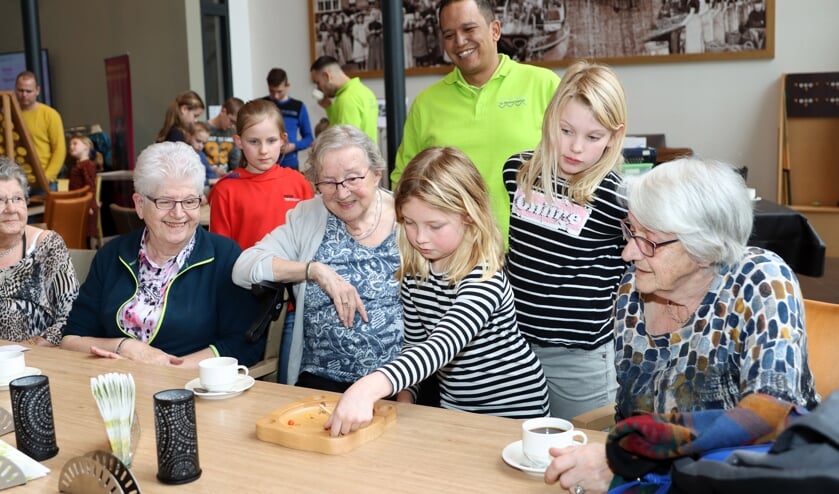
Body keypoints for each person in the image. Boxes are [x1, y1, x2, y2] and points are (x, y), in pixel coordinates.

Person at [544, 158, 819, 494]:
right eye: (631, 230)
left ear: (705, 250)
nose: (628, 252)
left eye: (650, 241)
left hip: (755, 480)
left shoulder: (760, 280)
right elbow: (628, 414)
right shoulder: (634, 289)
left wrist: (627, 457)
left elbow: (773, 414)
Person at [325, 147, 549, 437]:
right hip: (456, 407)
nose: (420, 238)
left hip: (513, 413)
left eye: (434, 225)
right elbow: (416, 344)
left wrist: (368, 387)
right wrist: (404, 401)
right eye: (410, 223)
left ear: (468, 216)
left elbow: (441, 346)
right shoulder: (416, 275)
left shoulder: (484, 277)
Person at [60, 141, 265, 368]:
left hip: (192, 389)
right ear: (139, 204)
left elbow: (243, 344)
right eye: (165, 201)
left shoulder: (224, 256)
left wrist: (171, 369)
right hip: (114, 385)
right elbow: (71, 339)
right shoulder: (112, 255)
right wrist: (124, 347)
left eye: (189, 201)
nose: (178, 214)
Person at [502, 61, 628, 419]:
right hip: (515, 349)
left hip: (581, 362)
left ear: (614, 136)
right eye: (566, 130)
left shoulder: (615, 197)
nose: (576, 148)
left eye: (593, 137)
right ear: (550, 118)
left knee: (585, 453)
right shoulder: (517, 173)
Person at [232, 125, 401, 389]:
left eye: (353, 179)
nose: (342, 193)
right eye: (329, 183)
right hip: (321, 380)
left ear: (376, 174)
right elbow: (244, 268)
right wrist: (313, 270)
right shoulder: (307, 216)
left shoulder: (406, 218)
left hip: (398, 381)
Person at [391, 0, 560, 240]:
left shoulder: (545, 85)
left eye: (469, 29)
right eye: (449, 35)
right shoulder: (425, 104)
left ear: (495, 30)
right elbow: (403, 183)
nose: (459, 42)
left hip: (535, 252)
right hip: (455, 258)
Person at [209, 99, 314, 250]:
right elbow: (220, 252)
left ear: (283, 140)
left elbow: (312, 240)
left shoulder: (299, 183)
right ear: (239, 142)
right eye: (254, 142)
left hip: (296, 272)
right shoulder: (225, 190)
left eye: (271, 141)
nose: (263, 150)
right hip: (243, 273)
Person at [0, 157, 78, 346]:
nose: (11, 208)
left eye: (18, 199)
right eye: (0, 200)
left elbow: (72, 314)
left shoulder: (47, 246)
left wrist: (45, 343)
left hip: (36, 359)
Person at [14, 71, 66, 186]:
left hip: (43, 180)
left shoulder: (50, 115)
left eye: (29, 91)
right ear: (15, 90)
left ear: (37, 90)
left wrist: (47, 177)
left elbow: (59, 149)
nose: (24, 95)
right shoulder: (9, 114)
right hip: (15, 181)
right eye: (20, 90)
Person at [310, 55, 379, 143]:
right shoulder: (365, 91)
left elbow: (345, 144)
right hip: (367, 154)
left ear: (327, 76)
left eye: (318, 83)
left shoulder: (346, 99)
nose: (318, 88)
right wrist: (329, 108)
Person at [263, 68, 314, 170]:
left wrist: (293, 146)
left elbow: (309, 138)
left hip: (290, 163)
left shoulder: (298, 106)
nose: (276, 96)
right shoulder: (262, 105)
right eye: (272, 91)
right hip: (265, 162)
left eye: (279, 91)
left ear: (287, 86)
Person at [67, 135, 101, 247]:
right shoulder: (79, 165)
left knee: (87, 237)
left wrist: (89, 205)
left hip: (86, 206)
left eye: (75, 143)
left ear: (86, 147)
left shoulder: (88, 165)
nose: (71, 146)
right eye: (70, 144)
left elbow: (90, 186)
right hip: (79, 204)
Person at [205, 96, 244, 174]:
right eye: (231, 121)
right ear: (223, 111)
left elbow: (236, 160)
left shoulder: (234, 132)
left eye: (235, 123)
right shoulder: (203, 129)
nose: (232, 125)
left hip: (228, 178)